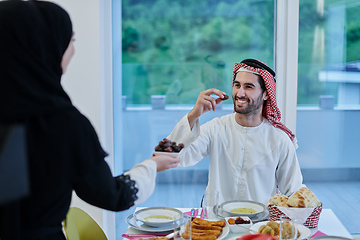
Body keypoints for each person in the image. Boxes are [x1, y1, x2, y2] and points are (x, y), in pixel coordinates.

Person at [0, 1, 179, 240]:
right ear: (43, 48)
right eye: (69, 41)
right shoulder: (63, 123)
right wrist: (152, 165)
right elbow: (111, 195)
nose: (72, 50)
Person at [167, 58, 304, 205]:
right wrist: (194, 114)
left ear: (265, 94)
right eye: (237, 85)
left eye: (249, 87)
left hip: (260, 225)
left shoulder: (279, 139)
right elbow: (172, 156)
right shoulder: (216, 128)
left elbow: (294, 191)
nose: (240, 93)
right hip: (218, 223)